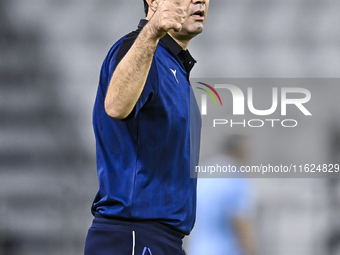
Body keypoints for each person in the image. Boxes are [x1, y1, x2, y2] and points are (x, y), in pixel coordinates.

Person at [84, 0, 209, 254]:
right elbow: (117, 106)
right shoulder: (139, 49)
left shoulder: (174, 67)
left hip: (163, 240)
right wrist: (152, 31)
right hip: (132, 236)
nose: (200, 0)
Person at [188, 135, 257, 255]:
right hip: (226, 250)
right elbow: (240, 221)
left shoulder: (205, 172)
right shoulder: (235, 177)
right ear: (241, 151)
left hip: (198, 249)